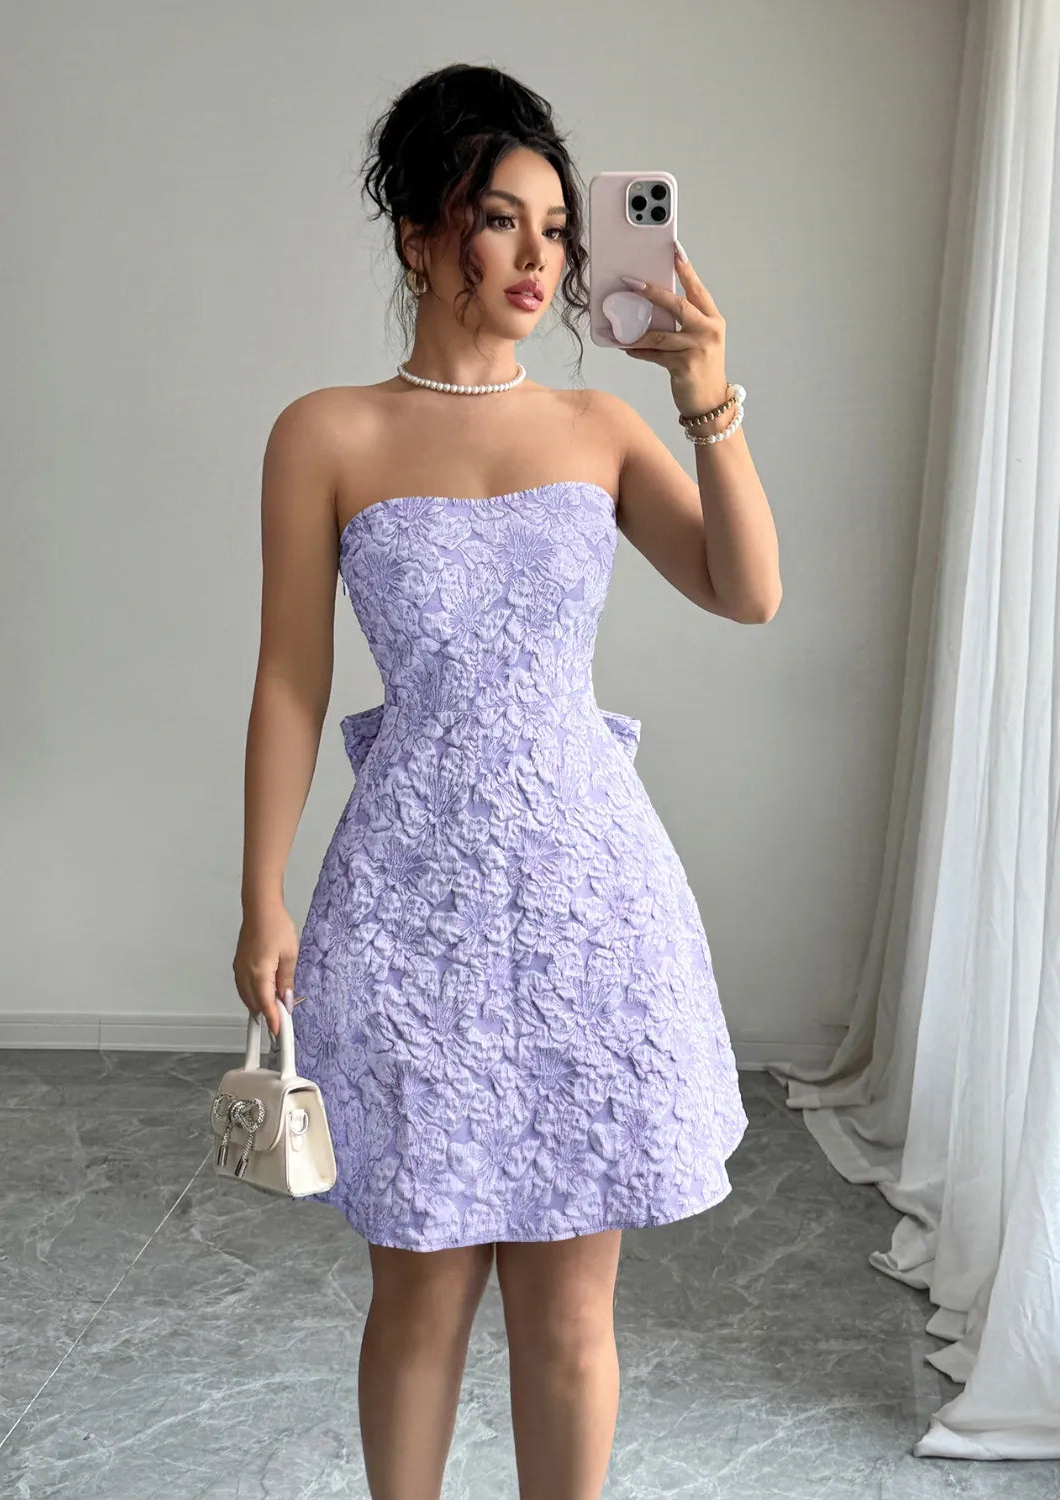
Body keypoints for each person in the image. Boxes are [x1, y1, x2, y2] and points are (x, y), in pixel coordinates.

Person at [233, 61, 779, 1500]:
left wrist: (706, 399)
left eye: (557, 228)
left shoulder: (599, 429)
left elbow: (747, 590)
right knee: (418, 1293)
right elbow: (290, 680)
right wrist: (261, 893)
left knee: (571, 1311)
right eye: (499, 219)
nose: (540, 257)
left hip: (588, 905)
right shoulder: (325, 433)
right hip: (406, 907)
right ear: (419, 234)